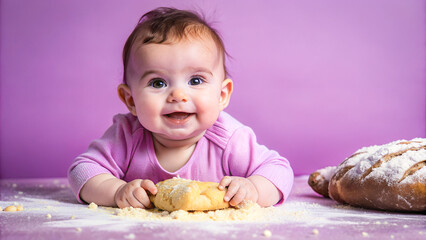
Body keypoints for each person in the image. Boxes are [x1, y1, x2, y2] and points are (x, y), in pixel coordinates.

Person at [68, 7, 293, 209]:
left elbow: (279, 170)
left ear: (222, 95)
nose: (178, 95)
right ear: (131, 101)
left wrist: (253, 188)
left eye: (195, 81)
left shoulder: (229, 139)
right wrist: (115, 191)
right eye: (158, 83)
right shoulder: (128, 135)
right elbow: (82, 170)